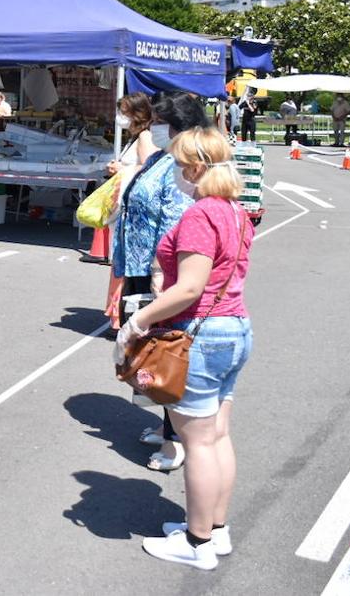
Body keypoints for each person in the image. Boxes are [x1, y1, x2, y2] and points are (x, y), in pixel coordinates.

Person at [119, 126, 254, 570]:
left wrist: (139, 320)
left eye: (178, 164)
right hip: (234, 327)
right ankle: (215, 530)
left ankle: (196, 543)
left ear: (195, 168)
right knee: (217, 436)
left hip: (200, 332)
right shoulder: (235, 211)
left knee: (197, 444)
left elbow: (190, 287)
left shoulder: (201, 215)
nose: (175, 171)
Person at [110, 91, 207, 472]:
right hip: (139, 264)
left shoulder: (184, 168)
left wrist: (160, 277)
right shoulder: (161, 159)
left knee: (164, 352)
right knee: (147, 352)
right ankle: (164, 423)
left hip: (159, 272)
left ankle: (175, 441)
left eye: (163, 124)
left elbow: (175, 223)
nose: (157, 129)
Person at [102, 93, 157, 328]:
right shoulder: (135, 137)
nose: (120, 117)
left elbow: (147, 168)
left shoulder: (145, 137)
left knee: (125, 264)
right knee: (120, 264)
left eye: (123, 112)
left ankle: (122, 319)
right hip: (125, 208)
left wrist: (121, 169)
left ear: (137, 113)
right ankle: (118, 317)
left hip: (133, 212)